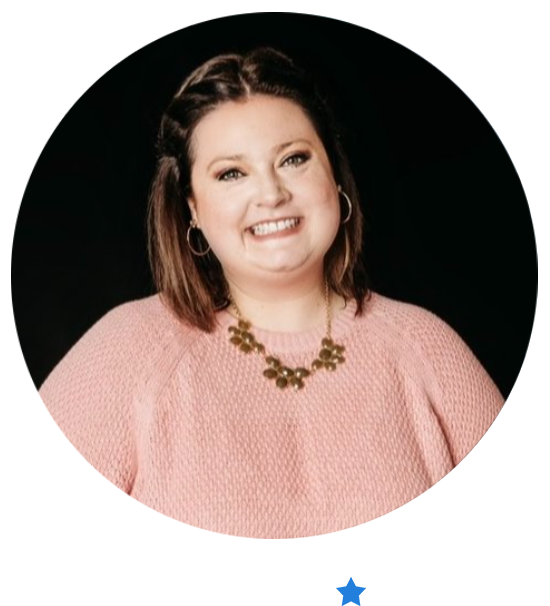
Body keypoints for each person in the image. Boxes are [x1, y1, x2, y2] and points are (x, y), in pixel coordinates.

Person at [39, 47, 504, 539]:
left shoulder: (428, 348)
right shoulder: (127, 352)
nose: (271, 193)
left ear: (335, 176)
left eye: (294, 159)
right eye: (231, 173)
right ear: (191, 208)